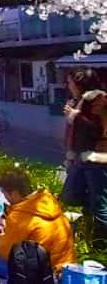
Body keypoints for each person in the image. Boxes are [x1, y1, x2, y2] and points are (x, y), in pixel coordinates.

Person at [0, 169, 76, 281]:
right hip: (64, 267)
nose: (5, 198)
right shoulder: (49, 202)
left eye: (4, 193)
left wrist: (1, 237)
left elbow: (5, 253)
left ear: (14, 193)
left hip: (41, 273)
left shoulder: (19, 216)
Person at [65, 83, 107, 248]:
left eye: (98, 103)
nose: (95, 107)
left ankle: (101, 244)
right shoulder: (91, 118)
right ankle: (91, 233)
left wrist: (76, 115)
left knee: (101, 207)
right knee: (74, 196)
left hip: (99, 164)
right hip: (86, 161)